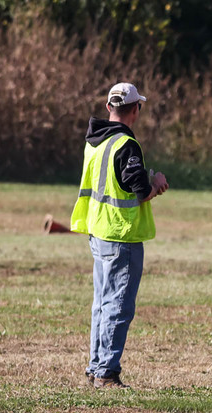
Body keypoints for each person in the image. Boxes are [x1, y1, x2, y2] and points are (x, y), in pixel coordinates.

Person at [70, 82, 169, 389]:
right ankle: (106, 372)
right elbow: (139, 192)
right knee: (118, 305)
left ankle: (96, 366)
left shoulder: (95, 141)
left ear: (108, 107)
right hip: (121, 233)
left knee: (102, 303)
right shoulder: (127, 144)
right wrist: (158, 183)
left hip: (98, 230)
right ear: (136, 109)